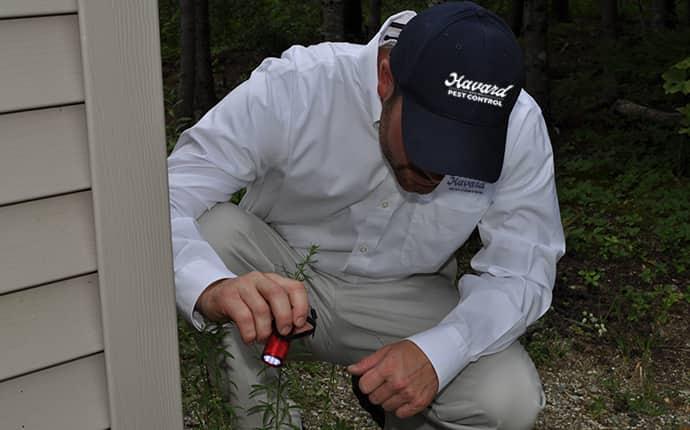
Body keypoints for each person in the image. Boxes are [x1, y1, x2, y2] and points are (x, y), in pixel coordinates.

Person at [168, 2, 565, 429]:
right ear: (385, 78)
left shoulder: (518, 124)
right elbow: (168, 196)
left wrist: (438, 354)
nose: (440, 171)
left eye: (466, 152)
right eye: (429, 140)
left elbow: (521, 270)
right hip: (279, 280)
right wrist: (211, 287)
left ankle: (398, 406)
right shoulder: (298, 86)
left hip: (407, 297)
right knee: (215, 232)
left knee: (507, 399)